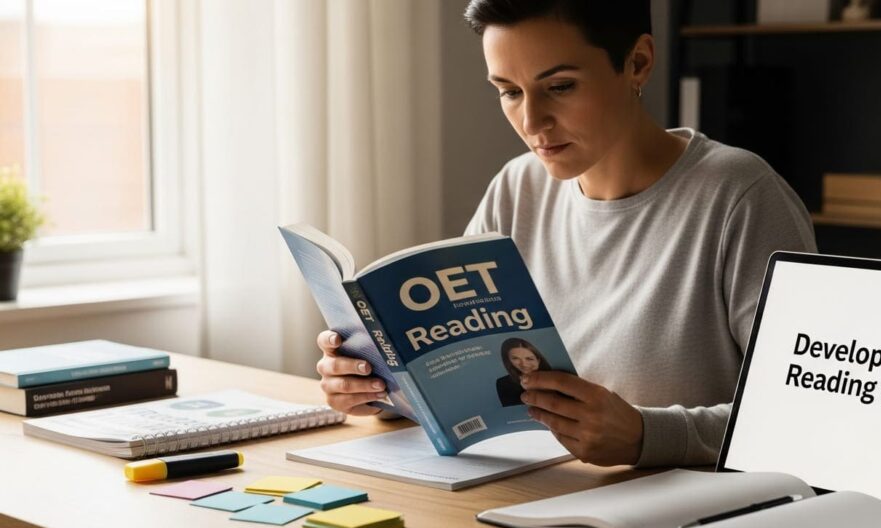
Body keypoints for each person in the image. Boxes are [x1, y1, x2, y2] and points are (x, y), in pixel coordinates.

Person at [315, 0, 816, 468]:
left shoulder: (741, 197)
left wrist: (648, 435)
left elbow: (809, 415)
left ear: (637, 63)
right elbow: (468, 382)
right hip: (535, 490)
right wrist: (385, 391)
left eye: (559, 87)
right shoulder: (517, 187)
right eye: (509, 92)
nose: (532, 122)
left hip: (676, 518)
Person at [496, 338, 553, 407]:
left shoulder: (554, 377)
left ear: (538, 360)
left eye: (529, 359)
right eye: (515, 358)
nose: (524, 364)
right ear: (508, 361)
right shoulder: (504, 383)